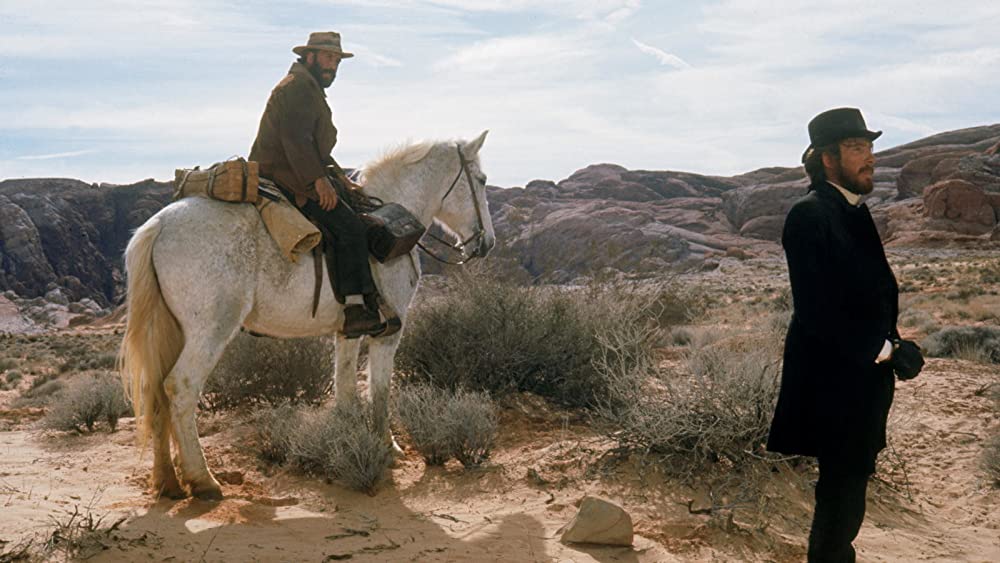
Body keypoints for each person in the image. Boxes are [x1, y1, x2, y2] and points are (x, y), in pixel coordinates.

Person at [766, 108, 924, 562]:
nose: (869, 157)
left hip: (860, 381)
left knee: (848, 493)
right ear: (828, 158)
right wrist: (887, 350)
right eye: (857, 148)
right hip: (833, 384)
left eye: (870, 147)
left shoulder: (853, 210)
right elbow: (817, 311)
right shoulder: (809, 214)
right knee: (839, 500)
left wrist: (891, 346)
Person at [250, 31, 385, 338]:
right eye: (327, 57)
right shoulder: (298, 88)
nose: (333, 65)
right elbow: (297, 141)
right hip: (285, 177)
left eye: (337, 60)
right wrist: (318, 181)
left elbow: (311, 146)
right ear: (309, 56)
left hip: (295, 172)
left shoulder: (306, 87)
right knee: (349, 226)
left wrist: (336, 179)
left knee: (351, 208)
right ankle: (354, 309)